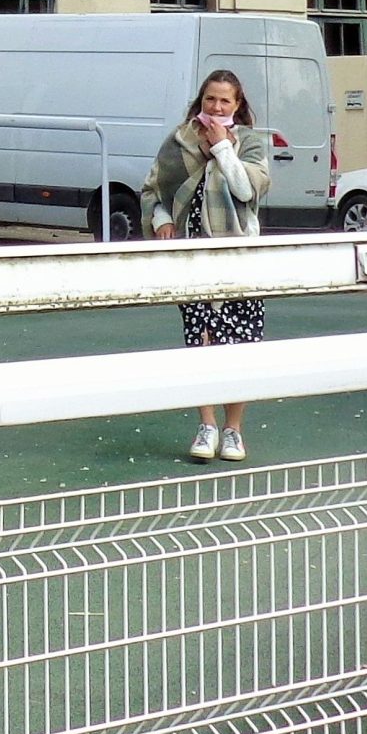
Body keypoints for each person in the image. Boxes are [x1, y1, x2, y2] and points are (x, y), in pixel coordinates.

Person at [145, 68, 273, 463]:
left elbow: (247, 189)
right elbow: (154, 189)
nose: (216, 108)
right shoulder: (180, 139)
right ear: (200, 101)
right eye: (210, 100)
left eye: (225, 101)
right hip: (193, 255)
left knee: (240, 347)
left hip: (238, 259)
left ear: (238, 105)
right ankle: (206, 424)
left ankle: (233, 430)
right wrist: (161, 219)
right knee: (200, 341)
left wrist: (223, 149)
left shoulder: (250, 142)